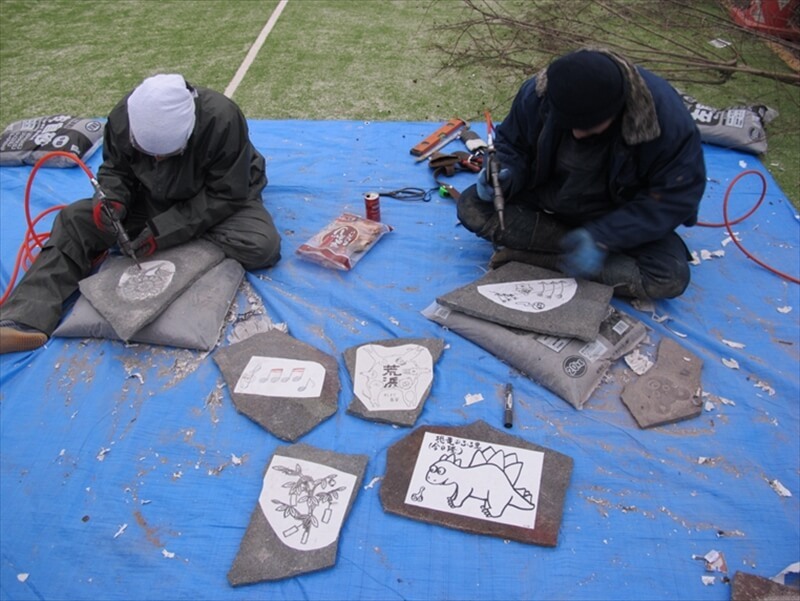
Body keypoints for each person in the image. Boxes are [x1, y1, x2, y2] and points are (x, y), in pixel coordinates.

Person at [0, 73, 281, 354]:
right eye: (149, 152)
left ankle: (180, 242)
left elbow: (227, 193)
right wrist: (112, 200)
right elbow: (115, 170)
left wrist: (164, 232)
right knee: (75, 220)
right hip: (150, 197)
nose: (157, 159)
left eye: (168, 153)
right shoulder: (124, 117)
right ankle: (24, 317)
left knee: (260, 245)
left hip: (214, 198)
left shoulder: (222, 120)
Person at [457, 48, 706, 300]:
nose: (577, 134)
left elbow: (676, 197)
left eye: (589, 127)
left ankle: (535, 258)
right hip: (548, 204)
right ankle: (572, 251)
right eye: (569, 125)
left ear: (617, 109)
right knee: (472, 207)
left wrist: (605, 236)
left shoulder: (663, 119)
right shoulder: (541, 93)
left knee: (668, 278)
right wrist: (505, 172)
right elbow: (511, 144)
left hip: (616, 215)